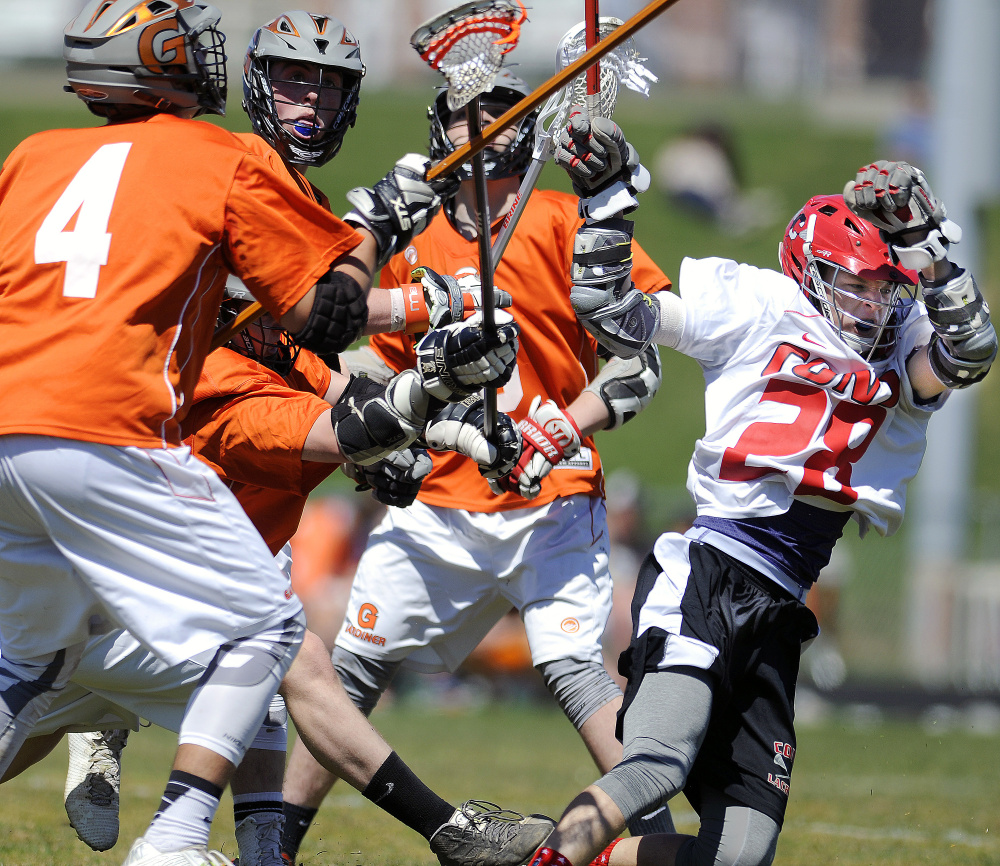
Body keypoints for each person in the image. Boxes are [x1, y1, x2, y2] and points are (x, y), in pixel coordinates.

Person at [29, 13, 545, 866]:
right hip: (193, 433)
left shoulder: (287, 192)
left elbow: (321, 362)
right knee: (278, 651)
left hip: (204, 473)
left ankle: (244, 836)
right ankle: (447, 832)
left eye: (331, 86)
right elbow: (299, 311)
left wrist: (454, 414)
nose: (312, 101)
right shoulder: (238, 166)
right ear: (259, 84)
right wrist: (421, 304)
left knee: (244, 676)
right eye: (297, 80)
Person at [522, 154, 996, 866]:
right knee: (655, 762)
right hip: (709, 574)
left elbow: (969, 352)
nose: (873, 302)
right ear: (811, 273)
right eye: (856, 284)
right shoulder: (761, 305)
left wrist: (929, 253)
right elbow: (622, 311)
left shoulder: (900, 347)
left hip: (779, 609)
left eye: (881, 286)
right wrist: (608, 202)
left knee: (740, 858)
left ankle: (565, 854)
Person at [279, 67, 676, 866]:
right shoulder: (410, 239)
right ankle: (272, 844)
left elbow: (640, 363)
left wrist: (569, 425)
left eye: (498, 115)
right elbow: (379, 376)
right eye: (464, 116)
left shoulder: (569, 221)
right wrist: (407, 447)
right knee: (351, 671)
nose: (479, 130)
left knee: (576, 672)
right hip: (440, 502)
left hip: (553, 495)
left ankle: (659, 845)